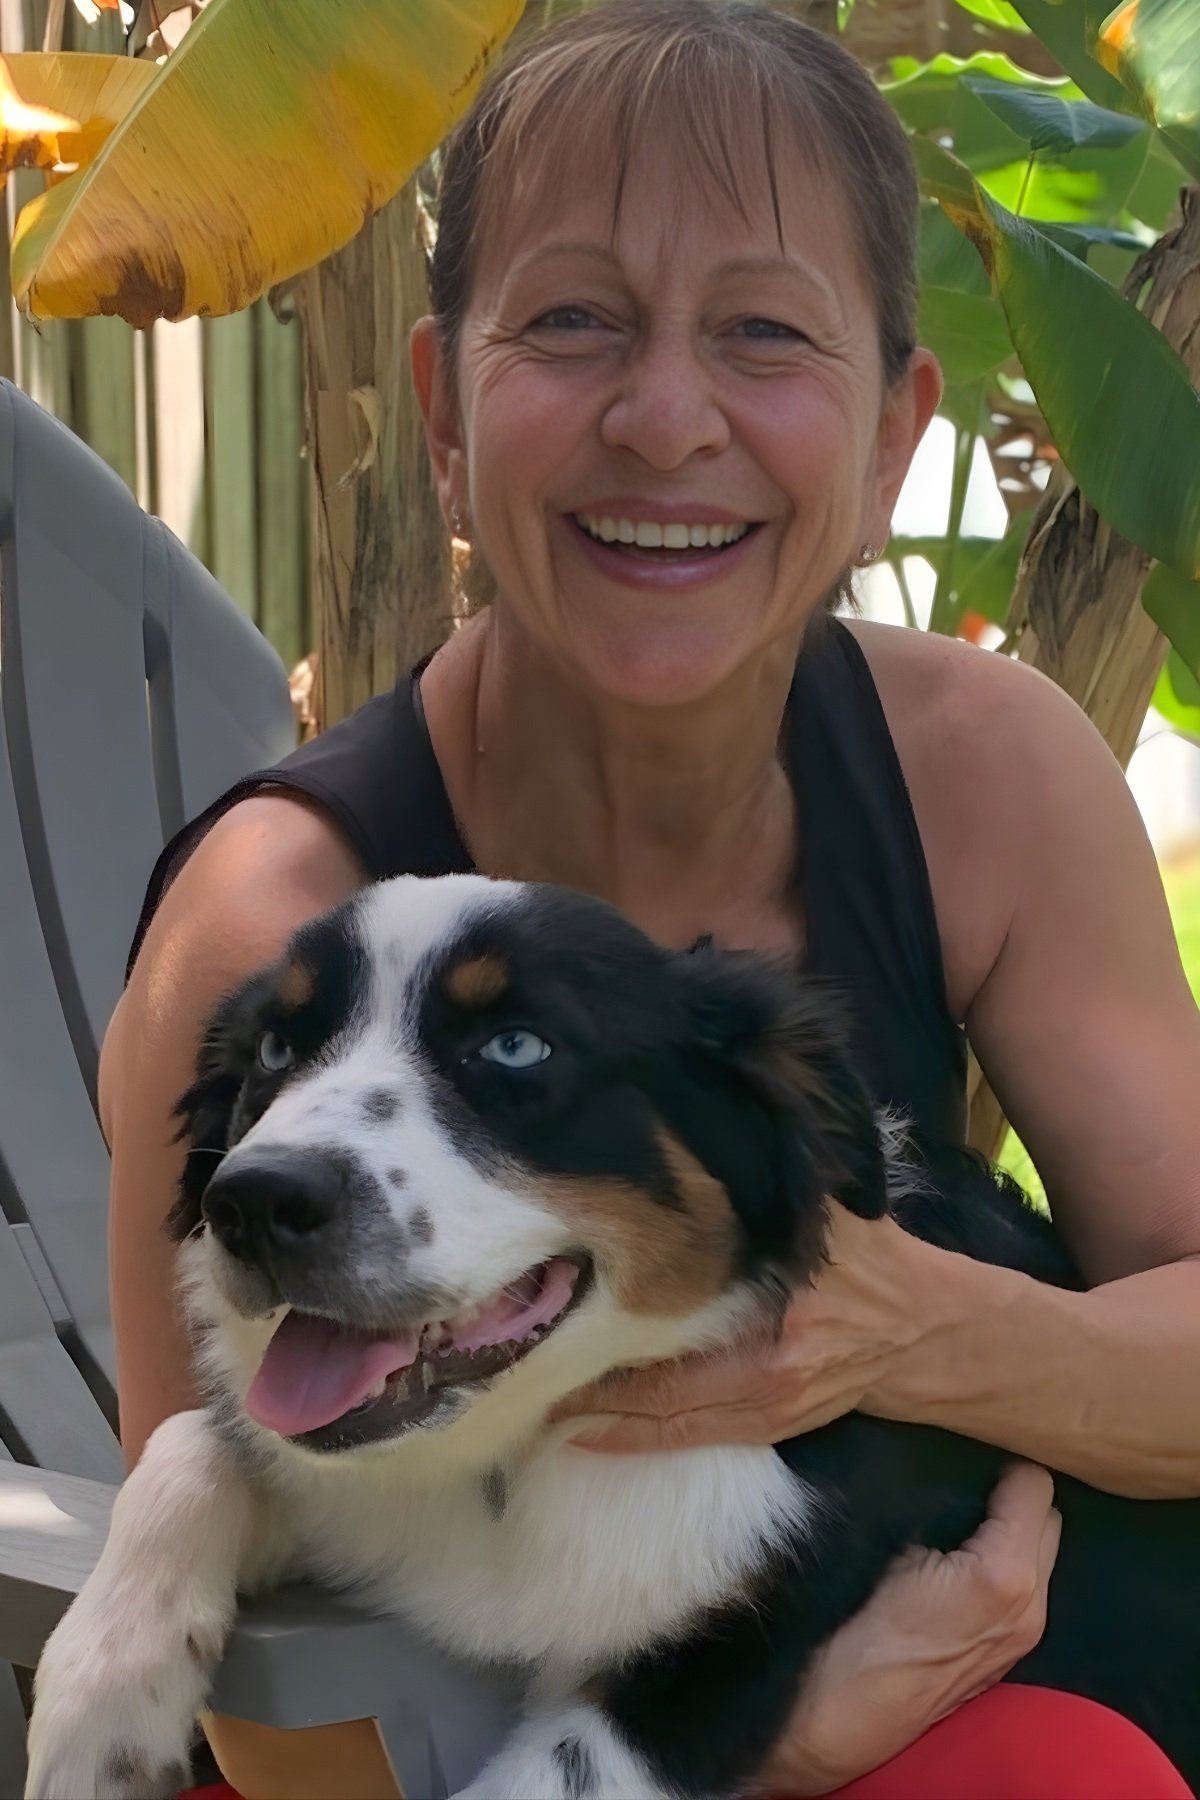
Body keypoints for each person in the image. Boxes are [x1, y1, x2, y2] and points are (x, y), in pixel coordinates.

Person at [106, 3, 1200, 1794]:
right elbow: (263, 1698)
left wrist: (933, 1330)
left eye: (763, 331)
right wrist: (771, 1751)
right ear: (449, 414)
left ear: (890, 442)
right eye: (573, 323)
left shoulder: (983, 776)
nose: (665, 416)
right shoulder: (274, 929)